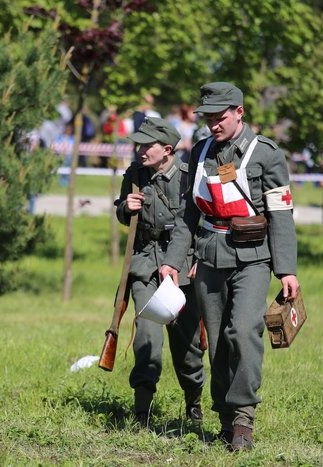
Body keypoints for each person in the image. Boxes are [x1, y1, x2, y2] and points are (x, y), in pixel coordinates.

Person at [158, 82, 299, 451]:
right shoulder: (200, 152)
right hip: (209, 255)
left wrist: (286, 270)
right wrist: (174, 261)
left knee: (244, 330)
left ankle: (243, 418)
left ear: (239, 112)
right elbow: (189, 214)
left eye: (219, 117)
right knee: (218, 340)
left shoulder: (265, 154)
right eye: (207, 118)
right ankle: (224, 416)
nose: (213, 125)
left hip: (253, 257)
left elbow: (281, 214)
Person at [115, 117, 206, 427]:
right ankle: (142, 411)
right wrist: (126, 207)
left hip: (182, 270)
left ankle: (194, 400)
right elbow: (122, 213)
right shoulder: (135, 175)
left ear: (167, 149)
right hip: (145, 265)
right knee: (147, 340)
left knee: (187, 347)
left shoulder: (189, 177)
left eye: (147, 145)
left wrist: (199, 259)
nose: (140, 150)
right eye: (138, 144)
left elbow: (205, 222)